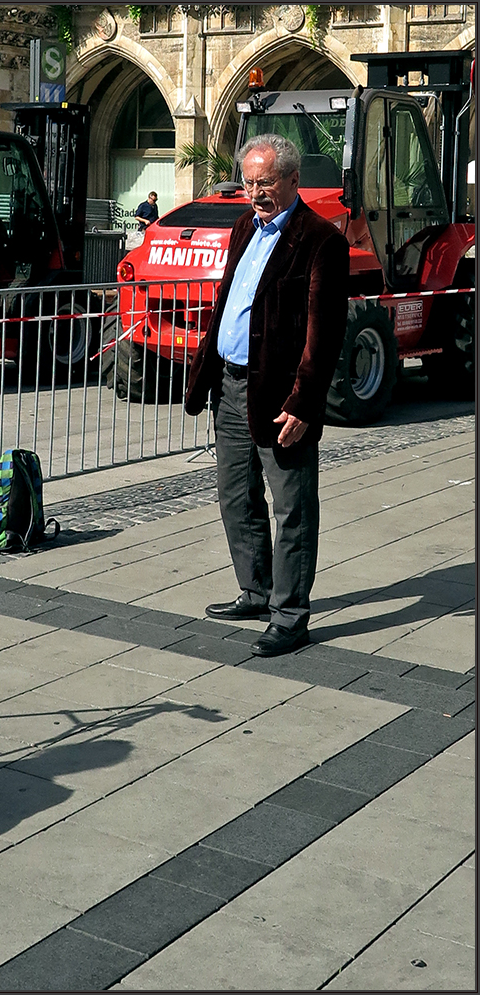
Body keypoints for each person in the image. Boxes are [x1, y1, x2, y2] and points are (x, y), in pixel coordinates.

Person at [184, 134, 349, 657]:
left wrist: (304, 403)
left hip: (281, 397)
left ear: (293, 181)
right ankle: (255, 591)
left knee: (292, 507)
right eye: (250, 182)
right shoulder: (242, 229)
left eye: (266, 182)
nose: (256, 192)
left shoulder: (320, 239)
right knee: (236, 497)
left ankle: (291, 616)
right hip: (230, 386)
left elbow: (324, 335)